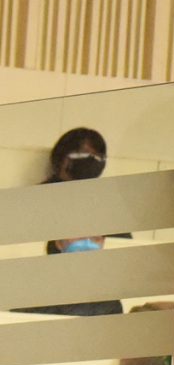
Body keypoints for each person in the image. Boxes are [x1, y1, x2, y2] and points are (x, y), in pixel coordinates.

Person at [32, 129, 119, 318]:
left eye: (98, 158)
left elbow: (122, 243)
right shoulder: (34, 201)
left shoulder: (105, 206)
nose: (92, 163)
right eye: (84, 156)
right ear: (63, 160)